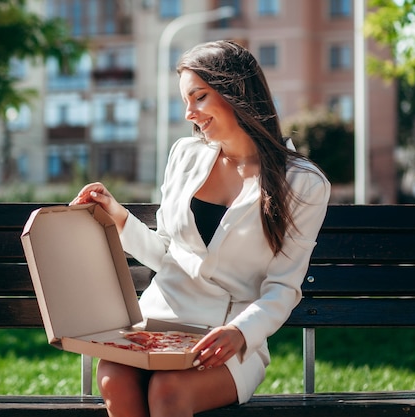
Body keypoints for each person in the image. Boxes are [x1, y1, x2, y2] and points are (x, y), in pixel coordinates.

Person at [70, 40, 331, 417]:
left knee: (169, 390)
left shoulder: (303, 183)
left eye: (200, 98)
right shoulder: (184, 155)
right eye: (185, 101)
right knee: (114, 376)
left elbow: (283, 288)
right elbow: (167, 254)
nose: (190, 113)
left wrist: (241, 332)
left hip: (225, 338)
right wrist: (119, 217)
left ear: (236, 92)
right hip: (158, 325)